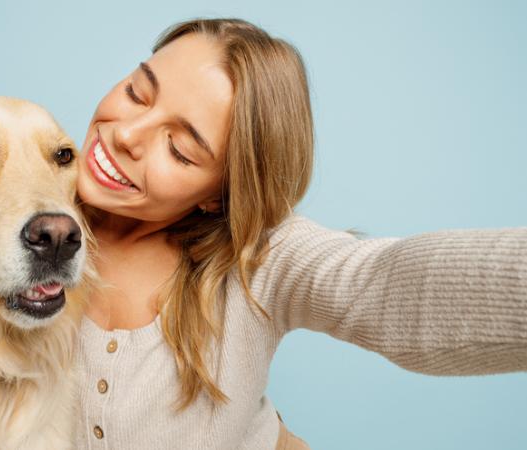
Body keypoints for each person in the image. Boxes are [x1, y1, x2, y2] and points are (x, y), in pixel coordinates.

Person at [71, 17, 527, 450]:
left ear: (221, 193)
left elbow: (382, 284)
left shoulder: (258, 259)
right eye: (136, 92)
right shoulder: (19, 212)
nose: (126, 134)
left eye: (180, 149)